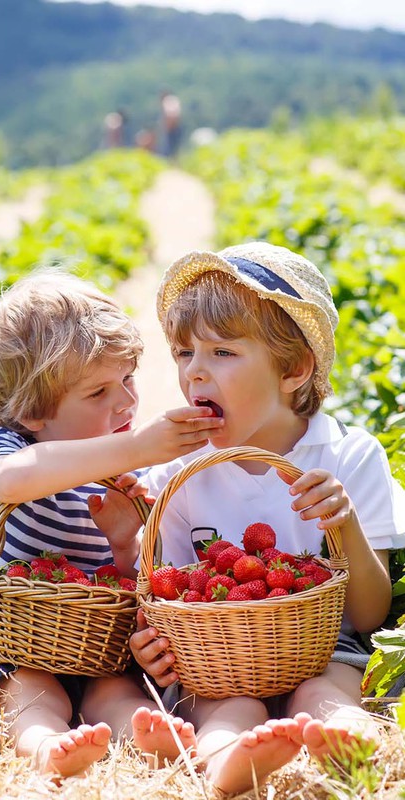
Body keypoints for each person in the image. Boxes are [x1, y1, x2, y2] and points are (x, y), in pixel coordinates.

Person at [130, 241, 405, 795]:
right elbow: (170, 599)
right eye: (185, 354)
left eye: (223, 353)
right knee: (226, 707)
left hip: (325, 650)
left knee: (328, 691)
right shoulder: (179, 476)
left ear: (295, 368)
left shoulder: (349, 459)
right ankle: (224, 760)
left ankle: (348, 742)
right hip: (219, 664)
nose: (196, 375)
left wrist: (343, 522)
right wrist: (152, 642)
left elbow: (370, 616)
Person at [0, 269, 224, 777]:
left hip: (90, 644)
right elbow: (10, 481)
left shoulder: (117, 472)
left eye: (128, 379)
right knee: (30, 688)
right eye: (97, 394)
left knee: (113, 688)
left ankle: (141, 734)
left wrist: (122, 542)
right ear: (32, 412)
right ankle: (45, 743)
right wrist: (134, 447)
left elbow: (121, 576)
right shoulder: (6, 450)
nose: (127, 402)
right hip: (10, 638)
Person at [159, 91, 182, 159]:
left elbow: (168, 115)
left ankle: (171, 160)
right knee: (176, 145)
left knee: (170, 145)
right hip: (177, 125)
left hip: (171, 126)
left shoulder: (166, 101)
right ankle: (176, 160)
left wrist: (166, 127)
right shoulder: (175, 99)